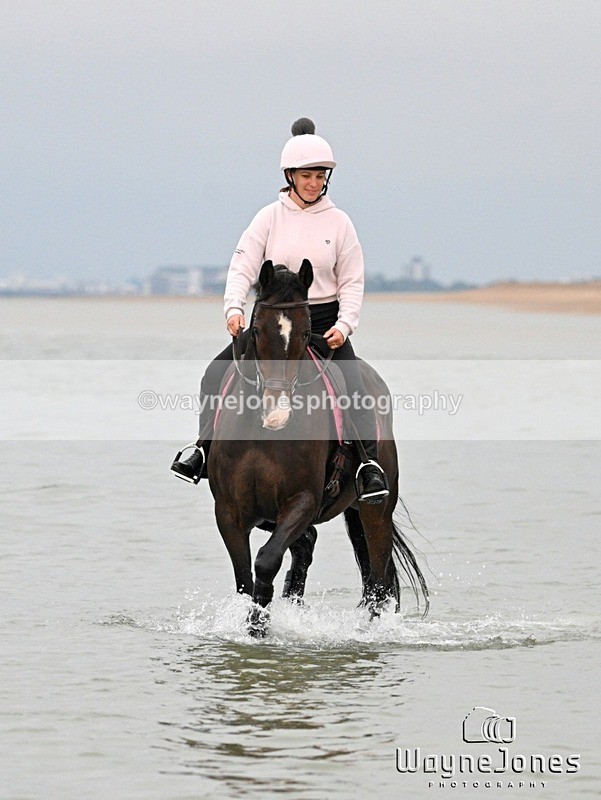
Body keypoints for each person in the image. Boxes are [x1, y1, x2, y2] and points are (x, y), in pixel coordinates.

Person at [171, 118, 389, 503]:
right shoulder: (267, 218)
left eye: (320, 176)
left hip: (320, 323)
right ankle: (202, 451)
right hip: (269, 324)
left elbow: (352, 281)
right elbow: (242, 267)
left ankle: (367, 466)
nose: (314, 182)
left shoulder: (340, 224)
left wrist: (345, 325)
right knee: (212, 374)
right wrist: (234, 309)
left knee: (356, 387)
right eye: (307, 175)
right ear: (290, 175)